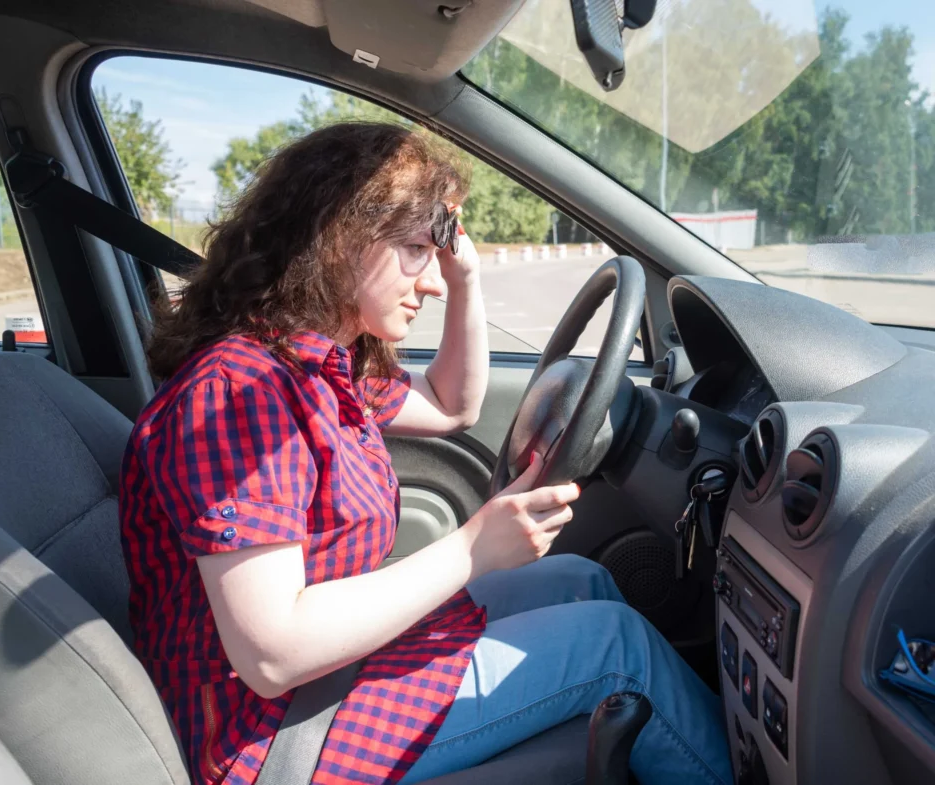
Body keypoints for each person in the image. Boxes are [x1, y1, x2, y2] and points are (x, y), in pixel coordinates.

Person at [119, 122, 732, 785]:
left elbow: (450, 403)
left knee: (582, 581)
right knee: (620, 648)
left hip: (328, 678)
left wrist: (465, 274)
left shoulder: (321, 367)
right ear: (338, 239)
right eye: (414, 249)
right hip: (272, 736)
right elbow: (271, 653)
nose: (430, 280)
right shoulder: (241, 392)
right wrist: (473, 546)